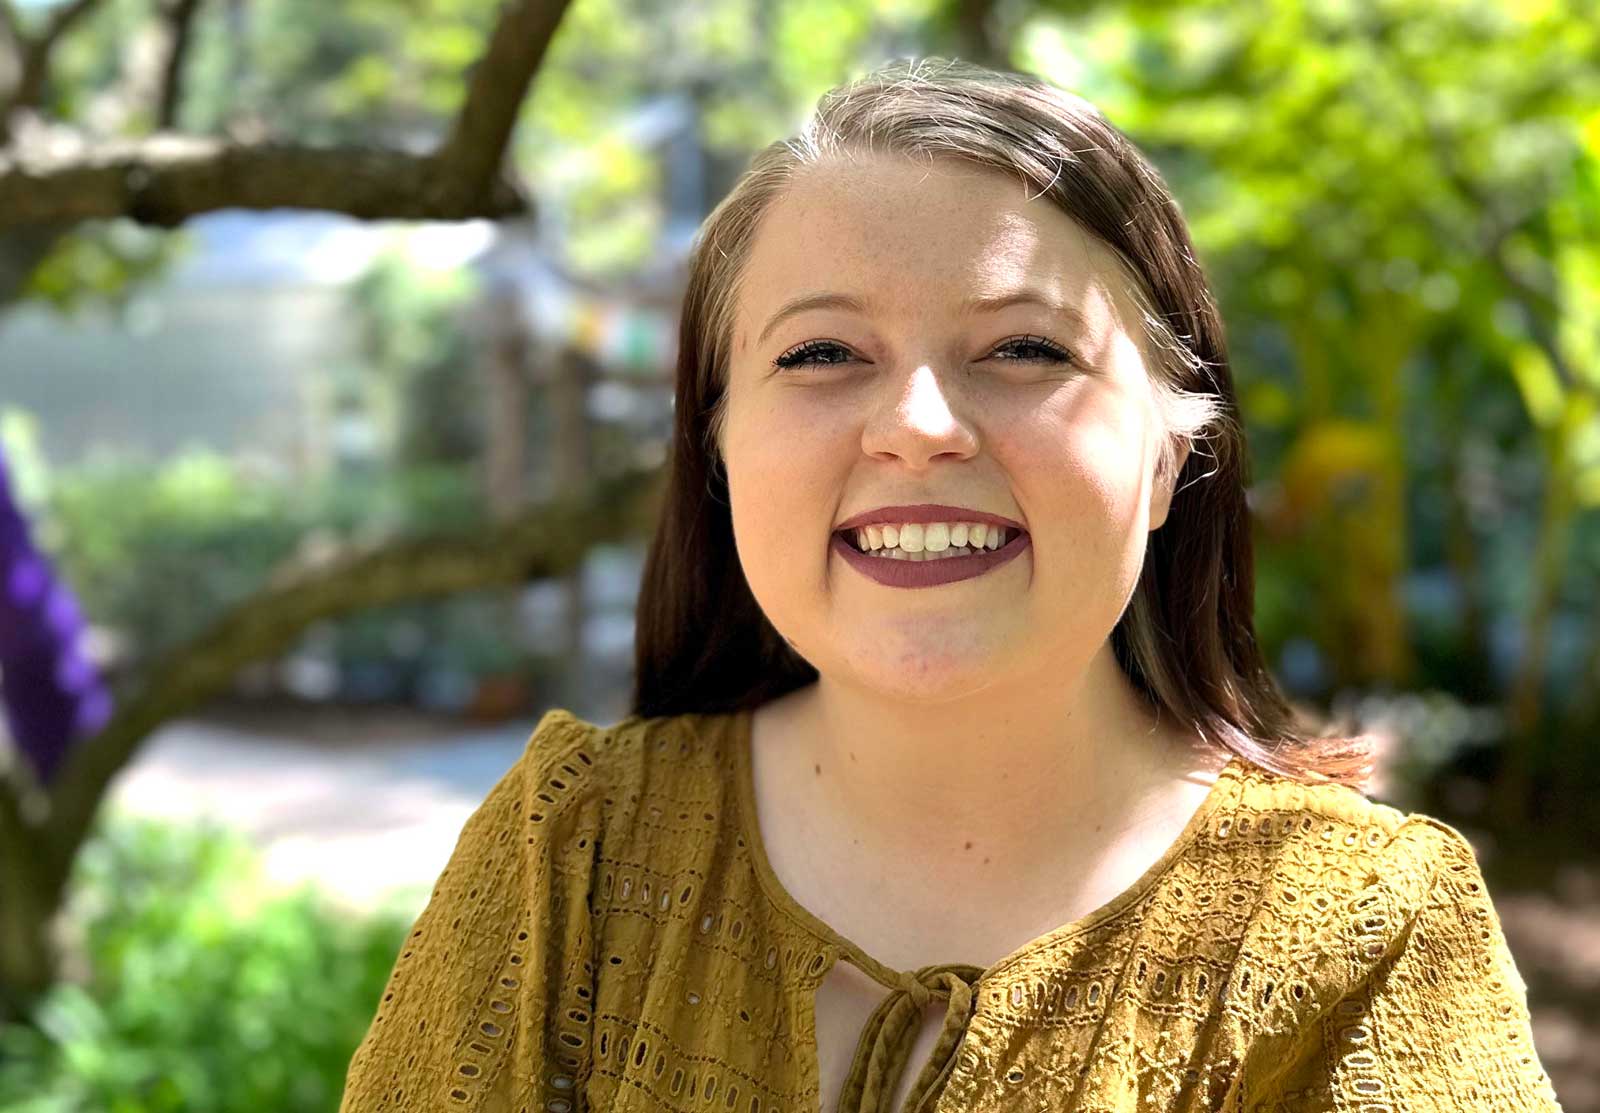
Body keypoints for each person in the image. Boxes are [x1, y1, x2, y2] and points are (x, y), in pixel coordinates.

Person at [336, 57, 1562, 1113]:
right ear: (715, 453)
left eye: (1024, 349)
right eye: (821, 354)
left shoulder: (1362, 931)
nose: (918, 427)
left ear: (1168, 459)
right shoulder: (574, 855)